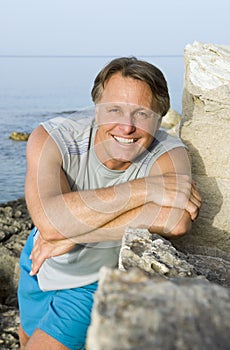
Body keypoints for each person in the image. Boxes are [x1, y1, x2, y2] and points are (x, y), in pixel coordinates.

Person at [17, 57, 201, 349]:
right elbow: (49, 224)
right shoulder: (54, 137)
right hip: (40, 257)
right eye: (114, 110)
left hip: (95, 278)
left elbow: (177, 221)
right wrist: (148, 188)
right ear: (96, 109)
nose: (126, 127)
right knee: (26, 336)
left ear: (160, 117)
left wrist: (74, 233)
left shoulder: (168, 152)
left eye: (141, 114)